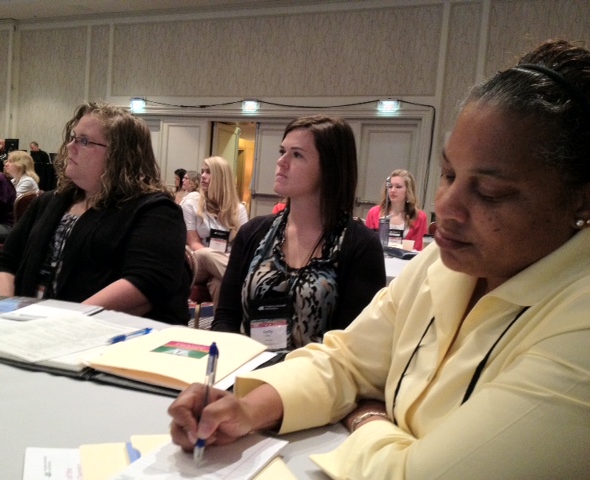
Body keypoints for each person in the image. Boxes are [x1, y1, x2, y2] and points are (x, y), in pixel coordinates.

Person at [168, 39, 590, 478]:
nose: (445, 206)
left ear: (582, 201)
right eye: (447, 174)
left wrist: (367, 416)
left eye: (490, 192)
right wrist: (246, 409)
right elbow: (347, 360)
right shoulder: (441, 264)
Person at [0, 102, 191, 324]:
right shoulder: (48, 203)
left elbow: (146, 285)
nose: (70, 147)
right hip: (24, 330)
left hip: (108, 340)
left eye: (84, 141)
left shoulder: (155, 212)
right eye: (72, 138)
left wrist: (60, 324)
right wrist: (5, 311)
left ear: (119, 155)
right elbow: (5, 263)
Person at [211, 116, 386, 350]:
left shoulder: (360, 246)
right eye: (282, 151)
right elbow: (226, 319)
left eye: (297, 155)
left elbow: (354, 347)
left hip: (314, 381)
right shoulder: (253, 233)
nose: (281, 162)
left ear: (330, 168)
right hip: (245, 372)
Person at [182, 156, 248, 309]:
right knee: (206, 254)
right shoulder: (191, 203)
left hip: (223, 263)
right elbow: (193, 244)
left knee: (219, 283)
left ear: (221, 177)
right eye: (203, 171)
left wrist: (225, 259)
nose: (203, 176)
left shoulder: (239, 209)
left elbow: (241, 246)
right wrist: (221, 257)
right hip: (197, 262)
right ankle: (249, 287)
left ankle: (222, 327)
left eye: (209, 172)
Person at [365, 169, 428, 250]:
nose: (393, 190)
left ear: (408, 190)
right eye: (390, 186)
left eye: (398, 187)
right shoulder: (374, 213)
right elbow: (366, 245)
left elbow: (419, 250)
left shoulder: (420, 217)